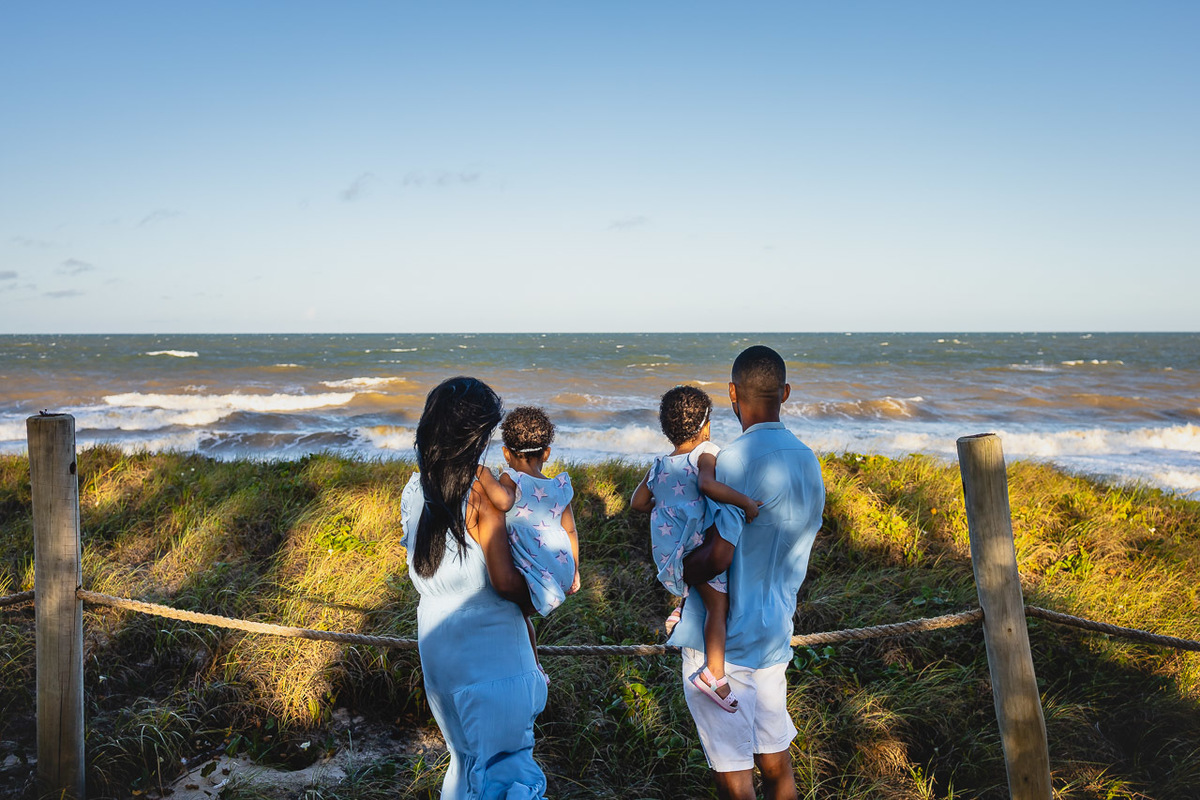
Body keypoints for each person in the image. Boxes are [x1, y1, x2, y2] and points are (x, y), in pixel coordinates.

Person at [667, 346, 825, 800]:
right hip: (774, 638)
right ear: (786, 393)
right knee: (776, 767)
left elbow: (716, 557)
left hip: (724, 649)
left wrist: (676, 566)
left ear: (732, 394)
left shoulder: (730, 462)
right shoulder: (809, 462)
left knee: (735, 781)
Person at [399, 377, 547, 800]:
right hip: (490, 645)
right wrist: (539, 596)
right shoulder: (481, 489)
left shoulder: (416, 490)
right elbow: (503, 580)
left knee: (463, 762)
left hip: (438, 645)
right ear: (475, 434)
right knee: (507, 771)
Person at [630, 385, 761, 713]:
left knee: (703, 586)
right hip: (696, 548)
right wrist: (744, 502)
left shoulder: (660, 464)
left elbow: (638, 502)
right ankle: (714, 676)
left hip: (669, 550)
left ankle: (683, 608)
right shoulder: (705, 452)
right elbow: (706, 484)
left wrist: (667, 511)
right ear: (705, 425)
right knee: (719, 608)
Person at [476, 406, 581, 682]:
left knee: (516, 616)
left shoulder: (512, 477)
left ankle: (532, 669)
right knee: (521, 616)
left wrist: (484, 475)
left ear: (506, 453)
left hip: (534, 564)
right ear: (546, 453)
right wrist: (575, 570)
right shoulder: (559, 485)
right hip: (560, 566)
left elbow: (503, 502)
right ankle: (535, 668)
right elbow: (570, 530)